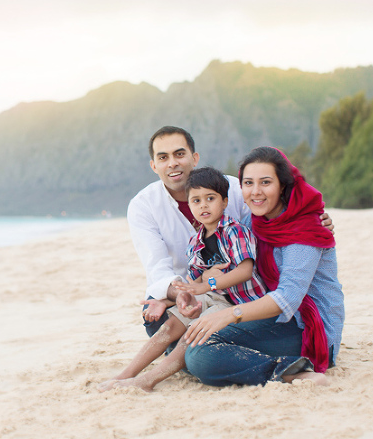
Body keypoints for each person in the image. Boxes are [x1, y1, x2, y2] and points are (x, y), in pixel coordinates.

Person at [127, 126, 333, 338]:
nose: (172, 163)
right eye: (163, 157)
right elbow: (158, 269)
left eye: (179, 154)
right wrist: (177, 295)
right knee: (157, 323)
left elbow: (269, 215)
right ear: (153, 165)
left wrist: (310, 218)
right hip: (186, 292)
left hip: (240, 293)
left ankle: (212, 348)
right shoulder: (143, 206)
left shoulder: (232, 189)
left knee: (200, 351)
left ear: (195, 158)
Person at [181, 146, 345, 386]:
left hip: (307, 326)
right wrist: (201, 282)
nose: (255, 192)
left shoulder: (306, 228)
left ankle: (288, 372)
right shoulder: (254, 222)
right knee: (186, 343)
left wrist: (230, 315)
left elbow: (288, 298)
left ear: (282, 185)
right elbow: (228, 258)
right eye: (248, 183)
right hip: (270, 317)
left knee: (198, 355)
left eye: (266, 182)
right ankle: (271, 361)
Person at [100, 167, 268, 392]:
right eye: (196, 201)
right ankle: (126, 374)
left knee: (193, 331)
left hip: (241, 302)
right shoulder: (195, 242)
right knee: (169, 326)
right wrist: (169, 300)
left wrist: (208, 285)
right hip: (213, 298)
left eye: (210, 198)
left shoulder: (235, 231)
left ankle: (147, 381)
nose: (204, 205)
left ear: (225, 202)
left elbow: (245, 271)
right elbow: (193, 281)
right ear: (189, 205)